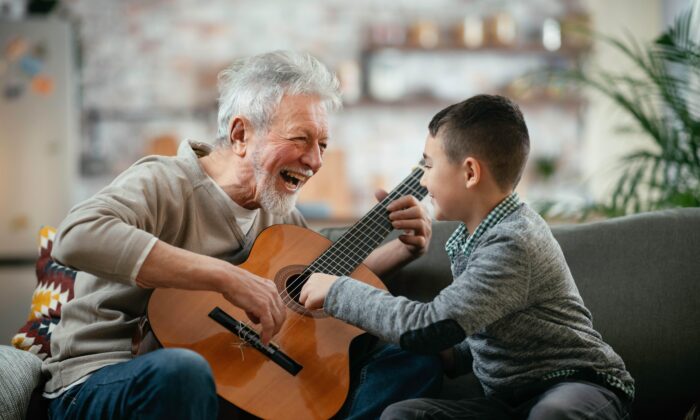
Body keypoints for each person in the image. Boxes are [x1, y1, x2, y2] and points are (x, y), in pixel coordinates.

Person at [43, 51, 441, 420]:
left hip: (228, 382)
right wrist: (227, 277)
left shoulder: (278, 213)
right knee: (182, 372)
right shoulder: (163, 181)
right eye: (301, 139)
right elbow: (76, 235)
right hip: (103, 379)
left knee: (416, 356)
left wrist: (402, 251)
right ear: (240, 135)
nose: (316, 161)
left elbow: (319, 284)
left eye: (322, 145)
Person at [300, 94, 635, 419]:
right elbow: (476, 336)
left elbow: (431, 326)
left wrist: (338, 291)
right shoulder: (471, 239)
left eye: (428, 165)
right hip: (509, 403)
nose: (423, 180)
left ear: (471, 173)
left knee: (554, 413)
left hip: (574, 385)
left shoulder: (513, 240)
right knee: (403, 415)